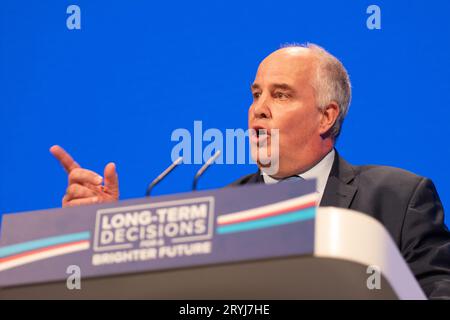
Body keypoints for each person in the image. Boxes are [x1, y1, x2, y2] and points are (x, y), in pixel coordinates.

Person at [50, 44, 450, 299]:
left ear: (326, 116)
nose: (258, 108)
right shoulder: (219, 209)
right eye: (256, 94)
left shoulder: (399, 197)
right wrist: (101, 237)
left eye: (280, 95)